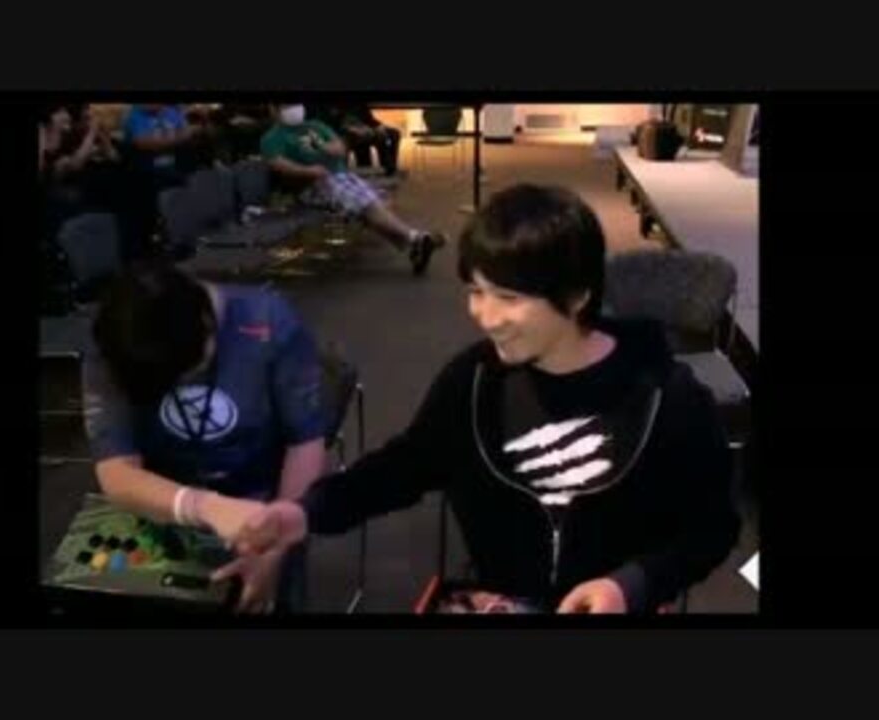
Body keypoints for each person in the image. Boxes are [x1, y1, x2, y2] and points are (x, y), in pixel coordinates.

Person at [213, 184, 742, 614]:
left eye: (508, 298)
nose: (485, 317)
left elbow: (714, 527)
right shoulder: (473, 382)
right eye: (475, 291)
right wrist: (303, 514)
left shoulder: (667, 396)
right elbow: (403, 468)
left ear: (578, 296)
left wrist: (632, 584)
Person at [81, 262, 329, 613]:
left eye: (189, 371)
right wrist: (202, 506)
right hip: (161, 504)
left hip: (263, 505)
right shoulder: (118, 337)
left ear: (208, 325)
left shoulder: (269, 321)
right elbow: (117, 472)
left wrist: (273, 544)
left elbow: (304, 443)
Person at [260, 104, 444, 276]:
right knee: (368, 204)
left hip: (342, 177)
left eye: (295, 103)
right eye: (287, 105)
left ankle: (415, 245)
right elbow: (278, 164)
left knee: (375, 204)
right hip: (312, 184)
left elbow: (339, 148)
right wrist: (307, 171)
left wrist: (326, 147)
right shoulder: (273, 137)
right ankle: (415, 238)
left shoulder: (315, 126)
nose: (294, 108)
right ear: (274, 109)